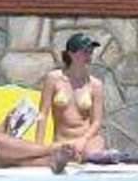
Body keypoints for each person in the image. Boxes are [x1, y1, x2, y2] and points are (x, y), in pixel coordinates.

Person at [38, 32, 112, 160]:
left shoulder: (95, 85)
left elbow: (96, 122)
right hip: (62, 141)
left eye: (91, 51)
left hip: (86, 141)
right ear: (71, 54)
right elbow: (43, 114)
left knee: (94, 149)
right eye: (85, 51)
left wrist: (83, 140)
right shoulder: (54, 78)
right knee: (61, 152)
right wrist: (38, 147)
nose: (89, 55)